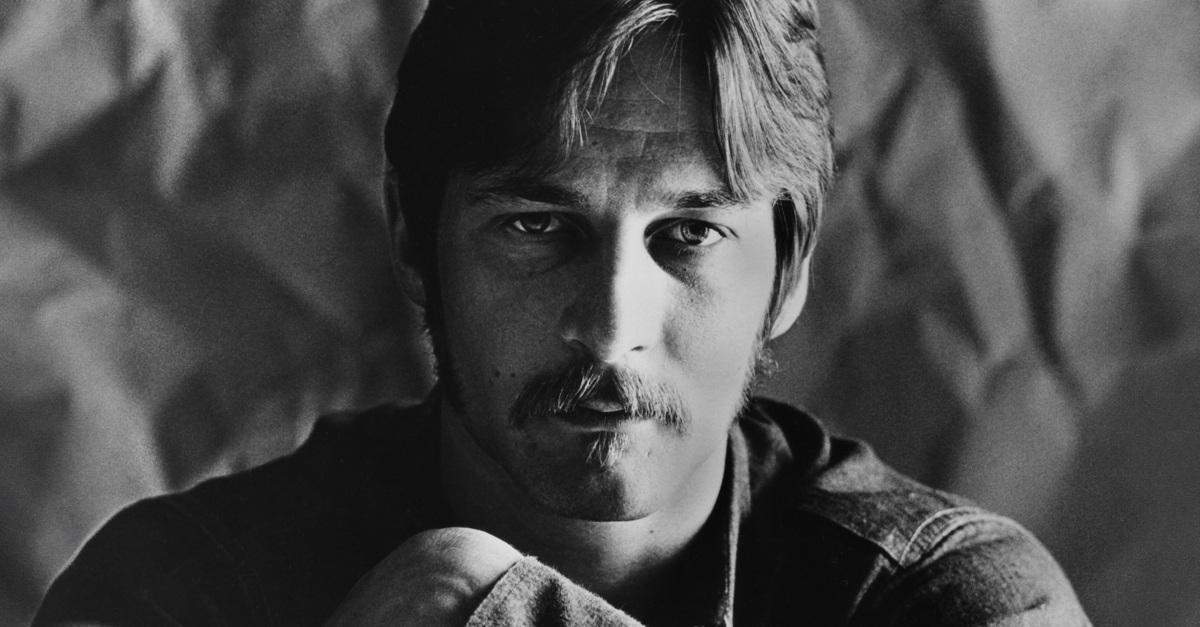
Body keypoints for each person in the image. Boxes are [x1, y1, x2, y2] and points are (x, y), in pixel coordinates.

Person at [34, 0, 1092, 625]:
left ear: (788, 268)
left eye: (690, 234)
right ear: (413, 240)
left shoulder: (950, 600)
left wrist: (492, 610)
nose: (610, 323)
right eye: (536, 227)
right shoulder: (182, 594)